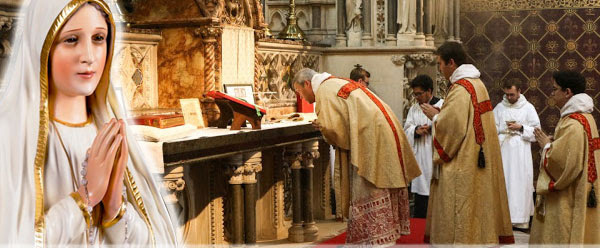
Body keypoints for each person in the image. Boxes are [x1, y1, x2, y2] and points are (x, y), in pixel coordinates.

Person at [0, 0, 177, 245]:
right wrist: (85, 197)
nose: (89, 57)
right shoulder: (11, 137)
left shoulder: (107, 130)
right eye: (71, 40)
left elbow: (148, 243)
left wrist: (115, 209)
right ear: (43, 46)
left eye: (98, 38)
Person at [290, 68, 421, 245]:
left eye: (299, 91)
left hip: (371, 139)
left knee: (368, 186)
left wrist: (322, 127)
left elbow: (335, 130)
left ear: (307, 84)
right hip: (381, 133)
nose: (302, 97)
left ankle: (373, 239)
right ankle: (384, 234)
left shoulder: (324, 91)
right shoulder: (336, 82)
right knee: (380, 181)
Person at [421, 41, 513, 244]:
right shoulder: (477, 84)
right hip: (477, 158)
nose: (439, 68)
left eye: (440, 64)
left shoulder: (461, 88)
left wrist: (435, 118)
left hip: (463, 162)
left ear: (451, 62)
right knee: (477, 209)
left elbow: (452, 127)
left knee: (459, 212)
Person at [530, 70, 600, 244]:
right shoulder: (586, 117)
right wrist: (555, 143)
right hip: (585, 186)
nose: (552, 93)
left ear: (567, 92)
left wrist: (547, 146)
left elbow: (563, 164)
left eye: (555, 89)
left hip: (569, 194)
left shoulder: (573, 123)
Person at [492, 81, 540, 230]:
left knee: (519, 183)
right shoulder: (499, 108)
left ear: (519, 91)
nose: (509, 97)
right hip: (503, 150)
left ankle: (520, 220)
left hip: (520, 152)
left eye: (512, 94)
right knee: (504, 182)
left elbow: (537, 130)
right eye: (507, 94)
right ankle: (502, 219)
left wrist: (521, 128)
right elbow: (491, 127)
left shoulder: (528, 108)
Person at [403, 74, 443, 218]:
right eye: (415, 94)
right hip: (420, 155)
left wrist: (433, 128)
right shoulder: (414, 108)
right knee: (421, 193)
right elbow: (406, 129)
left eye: (420, 94)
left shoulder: (442, 105)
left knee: (435, 190)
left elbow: (450, 128)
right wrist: (416, 131)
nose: (417, 97)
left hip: (435, 156)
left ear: (429, 91)